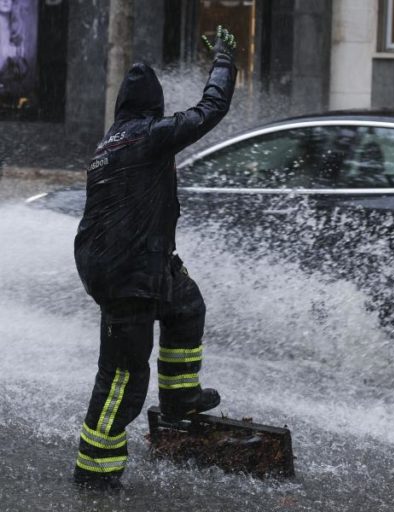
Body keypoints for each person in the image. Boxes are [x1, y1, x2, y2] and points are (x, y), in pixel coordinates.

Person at [72, 26, 238, 489]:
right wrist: (224, 61)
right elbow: (211, 110)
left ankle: (181, 397)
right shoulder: (146, 136)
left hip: (138, 261)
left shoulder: (110, 143)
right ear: (154, 106)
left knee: (185, 305)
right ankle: (94, 470)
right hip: (127, 274)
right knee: (123, 375)